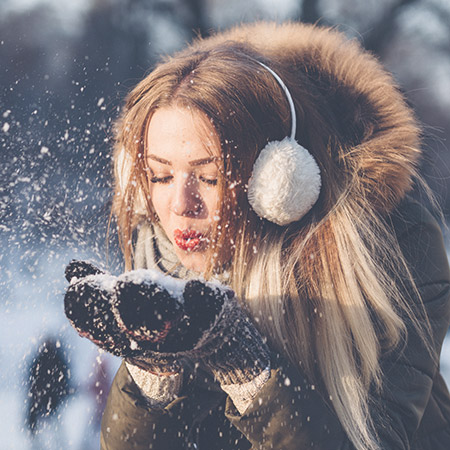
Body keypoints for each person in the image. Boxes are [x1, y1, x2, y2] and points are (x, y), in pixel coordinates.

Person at [63, 21, 450, 449]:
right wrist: (152, 374)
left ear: (278, 181)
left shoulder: (393, 249)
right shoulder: (160, 254)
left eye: (208, 178)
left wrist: (246, 368)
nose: (179, 205)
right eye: (159, 175)